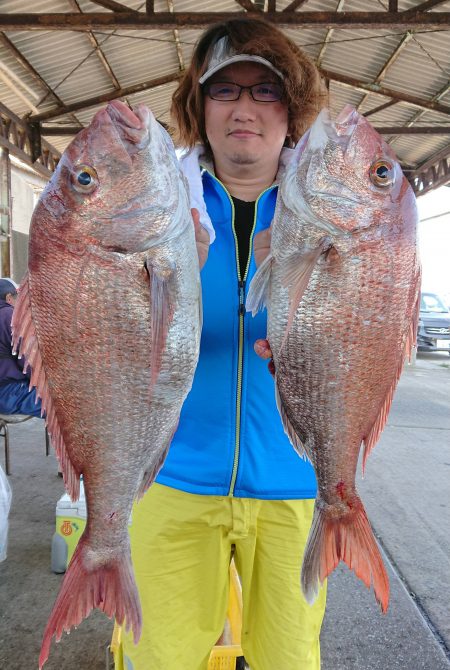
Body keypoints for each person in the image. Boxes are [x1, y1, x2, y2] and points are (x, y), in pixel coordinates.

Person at [116, 18, 328, 670]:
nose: (244, 108)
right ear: (198, 106)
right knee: (155, 660)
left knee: (289, 660)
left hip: (294, 488)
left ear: (291, 109)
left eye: (264, 91)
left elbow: (363, 349)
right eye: (224, 90)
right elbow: (105, 348)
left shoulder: (328, 212)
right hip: (169, 480)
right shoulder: (149, 205)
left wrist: (312, 288)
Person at [0, 278, 42, 417]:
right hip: (7, 393)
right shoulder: (9, 316)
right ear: (9, 298)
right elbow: (27, 359)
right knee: (64, 405)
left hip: (5, 391)